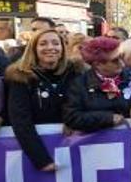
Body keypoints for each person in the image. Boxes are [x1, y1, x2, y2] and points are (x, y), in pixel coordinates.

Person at [5, 28, 80, 172]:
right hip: (35, 154)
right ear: (33, 49)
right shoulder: (20, 77)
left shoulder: (75, 73)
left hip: (71, 150)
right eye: (43, 44)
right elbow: (20, 120)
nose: (50, 47)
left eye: (55, 43)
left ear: (63, 48)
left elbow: (84, 104)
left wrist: (74, 119)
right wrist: (41, 160)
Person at [63, 37, 131, 132]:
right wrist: (107, 118)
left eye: (121, 57)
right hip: (95, 143)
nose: (122, 64)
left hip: (130, 140)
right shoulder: (79, 85)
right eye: (115, 60)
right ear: (97, 64)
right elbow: (72, 116)